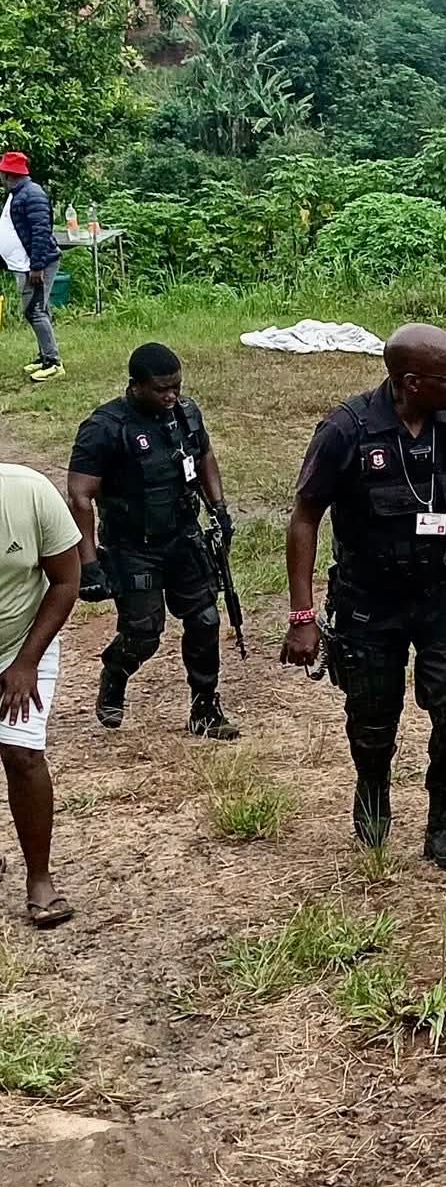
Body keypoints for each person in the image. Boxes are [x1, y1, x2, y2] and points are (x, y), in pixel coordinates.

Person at [282, 324, 446, 869]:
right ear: (410, 382)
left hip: (445, 594)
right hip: (369, 600)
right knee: (373, 720)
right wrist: (303, 615)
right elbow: (305, 517)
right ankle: (372, 793)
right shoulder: (347, 430)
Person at [68, 344, 239, 740]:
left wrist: (219, 507)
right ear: (136, 386)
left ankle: (205, 709)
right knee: (143, 634)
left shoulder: (185, 414)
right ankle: (115, 672)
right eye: (162, 389)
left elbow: (205, 454)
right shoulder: (105, 428)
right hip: (133, 548)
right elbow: (80, 495)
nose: (171, 396)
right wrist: (89, 564)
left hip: (183, 538)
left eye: (176, 387)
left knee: (205, 620)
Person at [0, 458, 83, 928]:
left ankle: (39, 878)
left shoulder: (28, 492)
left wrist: (26, 662)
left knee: (21, 751)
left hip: (25, 638)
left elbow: (66, 581)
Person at [1, 152, 63, 382]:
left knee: (34, 311)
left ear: (9, 174)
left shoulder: (32, 195)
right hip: (24, 264)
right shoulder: (17, 194)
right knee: (38, 310)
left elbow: (40, 233)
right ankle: (44, 356)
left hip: (36, 264)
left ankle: (53, 362)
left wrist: (36, 267)